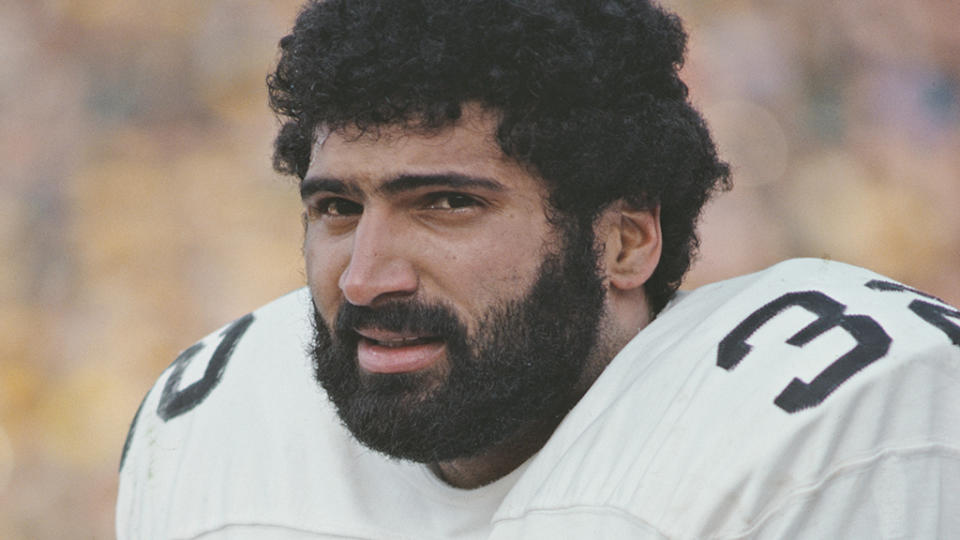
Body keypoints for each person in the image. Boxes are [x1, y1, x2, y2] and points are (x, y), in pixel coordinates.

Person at [116, 0, 960, 538]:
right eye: (337, 207)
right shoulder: (219, 430)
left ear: (625, 241)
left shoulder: (836, 422)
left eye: (446, 203)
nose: (366, 278)